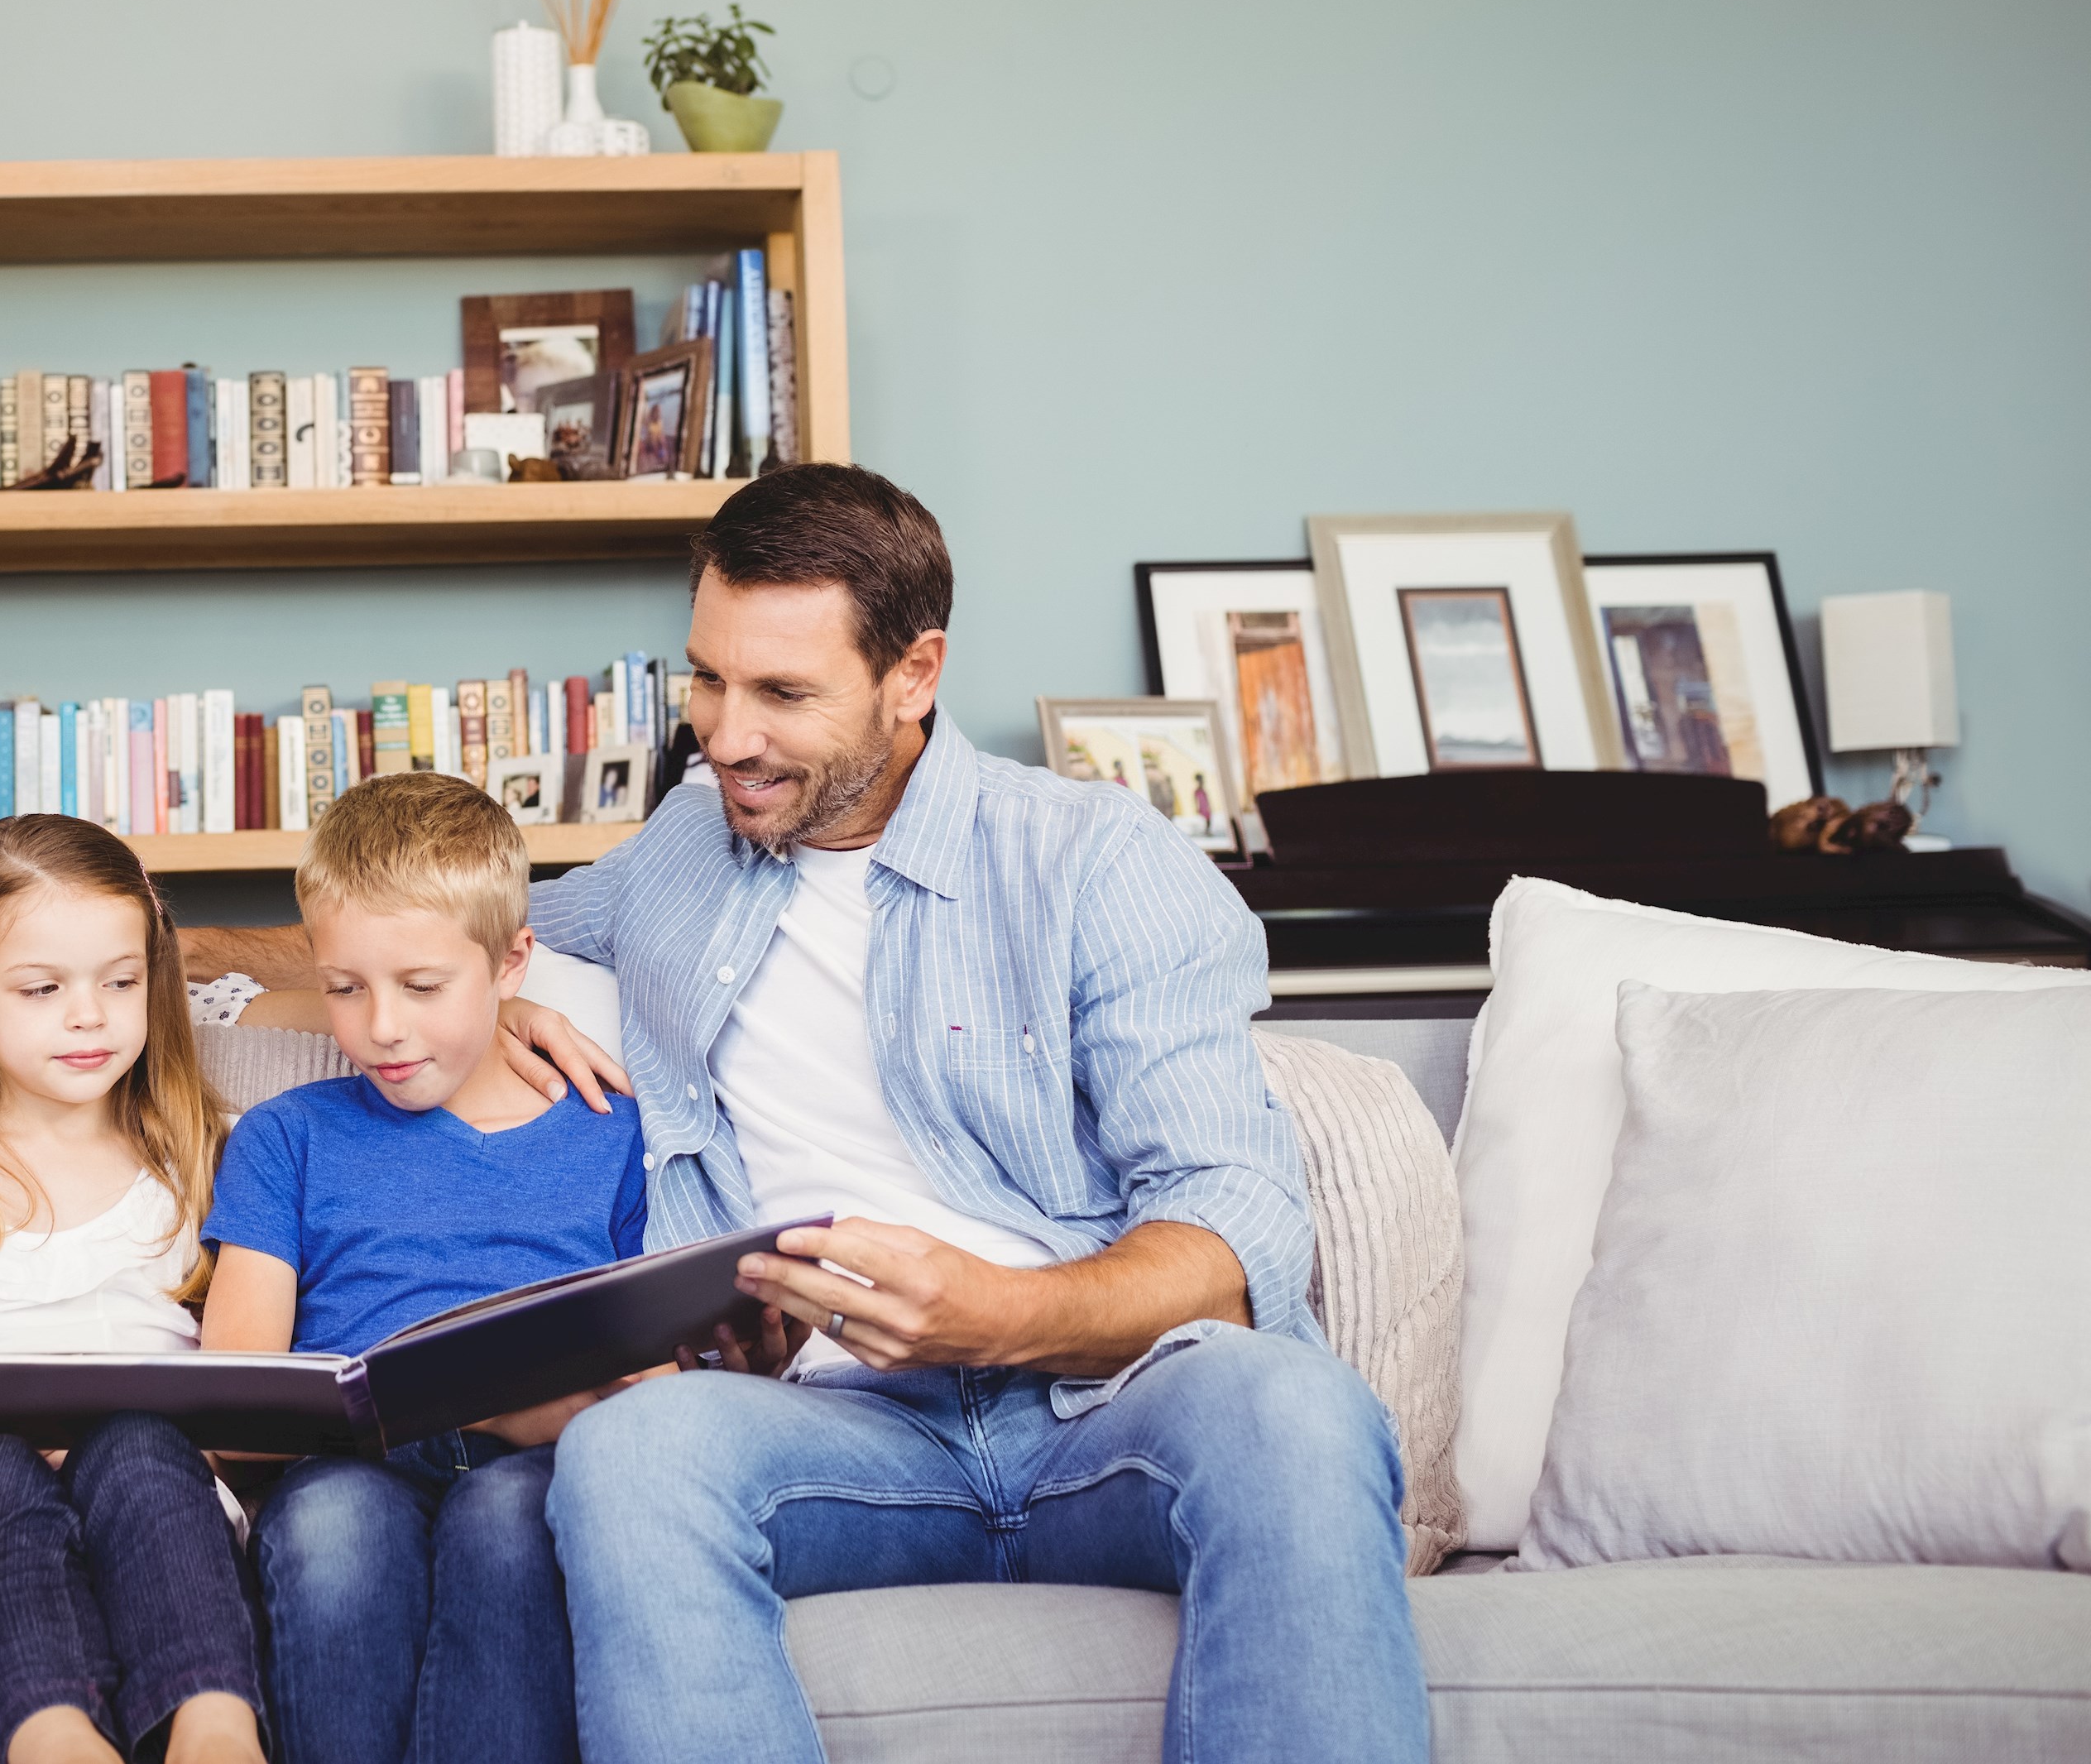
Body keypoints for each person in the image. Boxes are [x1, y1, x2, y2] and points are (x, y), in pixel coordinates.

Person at [188, 465, 1427, 1764]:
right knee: (633, 1449)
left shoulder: (1095, 859)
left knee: (1297, 1408)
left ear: (914, 673)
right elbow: (430, 938)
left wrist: (999, 1311)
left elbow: (1235, 1237)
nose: (727, 733)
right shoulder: (680, 848)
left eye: (782, 692)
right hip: (822, 1425)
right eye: (708, 679)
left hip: (1097, 1408)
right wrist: (449, 1001)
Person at [198, 772, 648, 1764]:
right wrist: (468, 1401)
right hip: (342, 1471)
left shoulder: (606, 1133)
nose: (381, 1027)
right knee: (333, 1540)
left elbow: (648, 1358)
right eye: (344, 989)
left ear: (511, 963)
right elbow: (235, 1405)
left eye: (422, 986)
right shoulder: (286, 1138)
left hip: (536, 1470)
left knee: (509, 1528)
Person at [0, 813, 265, 1764]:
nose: (89, 1015)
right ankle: (54, 1738)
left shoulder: (203, 1153)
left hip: (161, 1484)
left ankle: (215, 1726)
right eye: (41, 989)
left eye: (121, 983)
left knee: (139, 1447)